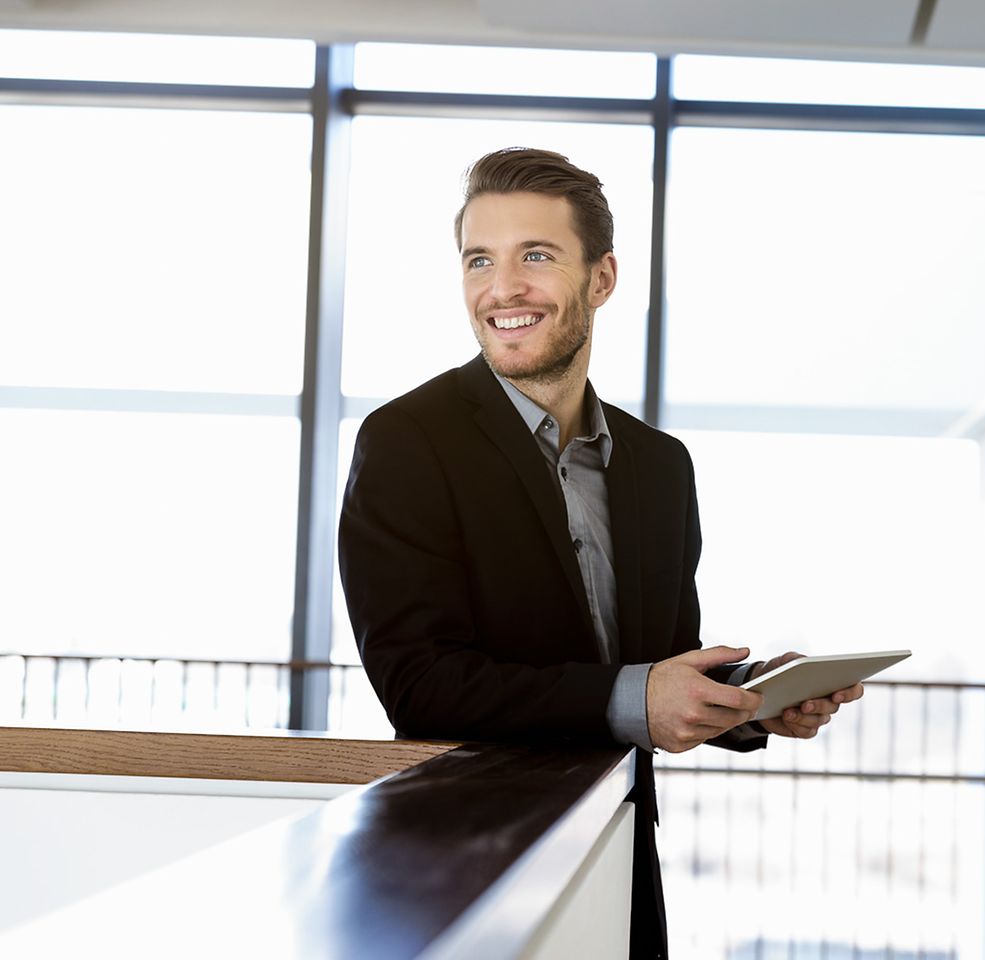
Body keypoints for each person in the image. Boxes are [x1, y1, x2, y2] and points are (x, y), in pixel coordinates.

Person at [337, 147, 863, 959]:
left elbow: (654, 668)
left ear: (603, 279)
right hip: (467, 871)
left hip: (619, 851)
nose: (501, 288)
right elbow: (419, 686)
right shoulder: (408, 442)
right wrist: (640, 698)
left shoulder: (660, 464)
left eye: (535, 256)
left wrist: (751, 701)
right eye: (480, 260)